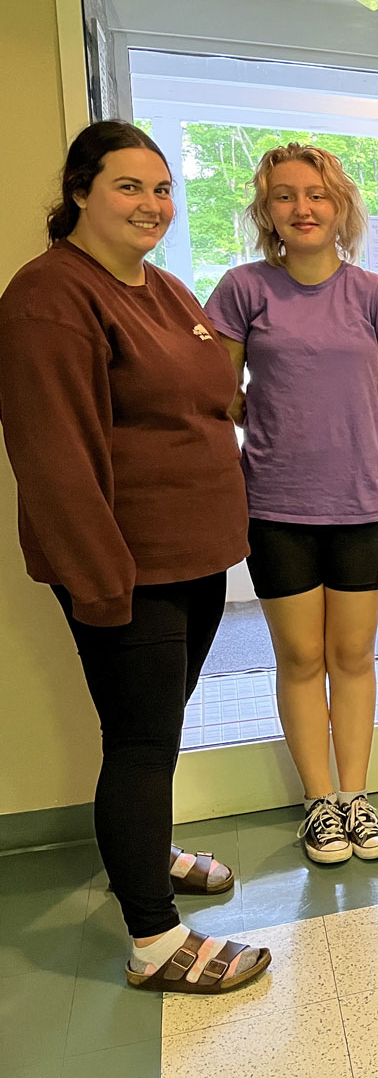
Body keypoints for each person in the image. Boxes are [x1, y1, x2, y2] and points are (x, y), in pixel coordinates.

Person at [0, 121, 269, 992]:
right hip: (131, 570)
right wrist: (102, 584)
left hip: (193, 559)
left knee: (162, 730)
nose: (153, 204)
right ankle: (154, 941)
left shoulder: (163, 289)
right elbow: (53, 458)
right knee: (142, 742)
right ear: (80, 191)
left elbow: (211, 401)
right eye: (129, 186)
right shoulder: (50, 298)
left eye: (162, 189)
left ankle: (149, 854)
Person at [205, 143, 378, 863]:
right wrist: (274, 418)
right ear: (266, 210)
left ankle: (356, 796)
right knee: (299, 656)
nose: (303, 208)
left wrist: (341, 415)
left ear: (341, 207)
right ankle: (319, 803)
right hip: (274, 502)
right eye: (286, 196)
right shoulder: (242, 289)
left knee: (352, 654)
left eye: (317, 195)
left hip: (360, 500)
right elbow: (217, 390)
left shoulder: (376, 294)